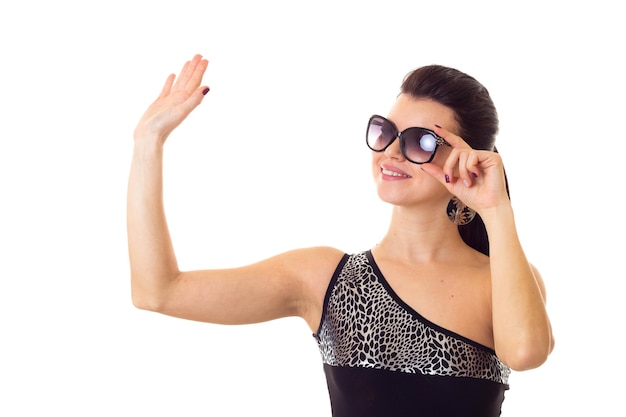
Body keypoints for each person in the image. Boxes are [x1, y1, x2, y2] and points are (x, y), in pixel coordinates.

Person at [127, 54, 554, 416]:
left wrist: (495, 209)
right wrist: (148, 142)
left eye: (420, 141)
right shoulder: (325, 277)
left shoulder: (505, 278)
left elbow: (526, 354)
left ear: (468, 159)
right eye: (386, 132)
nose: (390, 151)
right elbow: (158, 291)